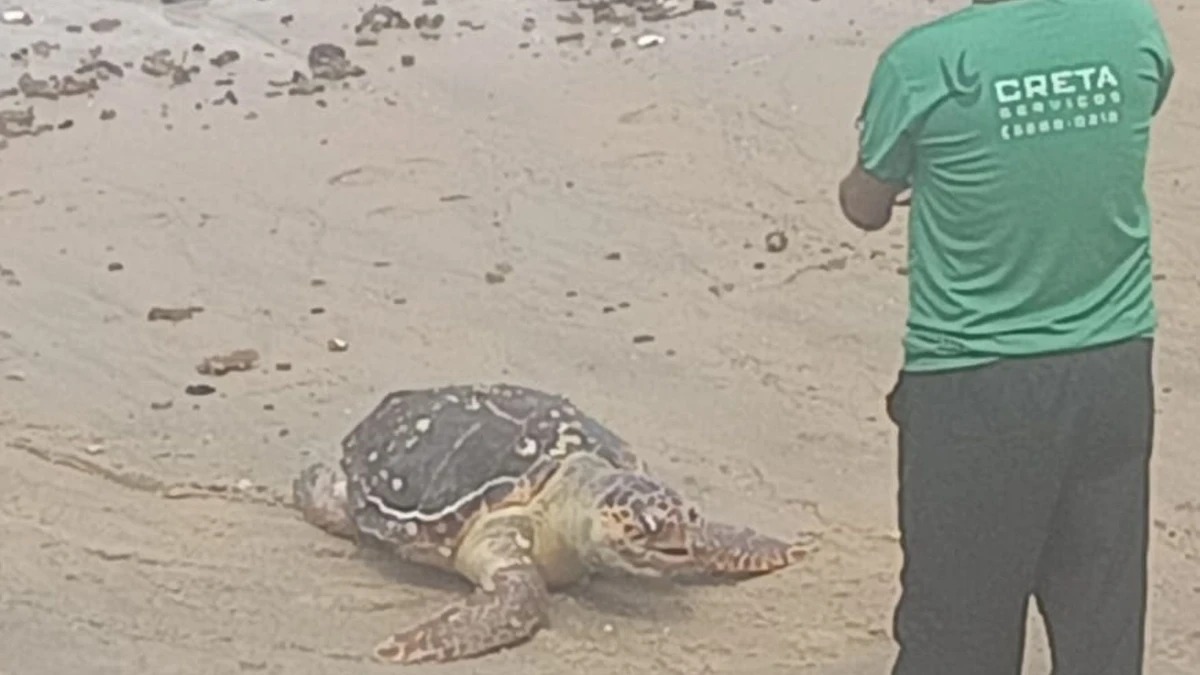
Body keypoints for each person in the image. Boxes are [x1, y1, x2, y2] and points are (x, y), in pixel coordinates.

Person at [836, 0, 1175, 673]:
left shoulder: (926, 61)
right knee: (1101, 630)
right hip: (1115, 367)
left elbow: (864, 204)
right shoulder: (1133, 28)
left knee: (956, 632)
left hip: (975, 379)